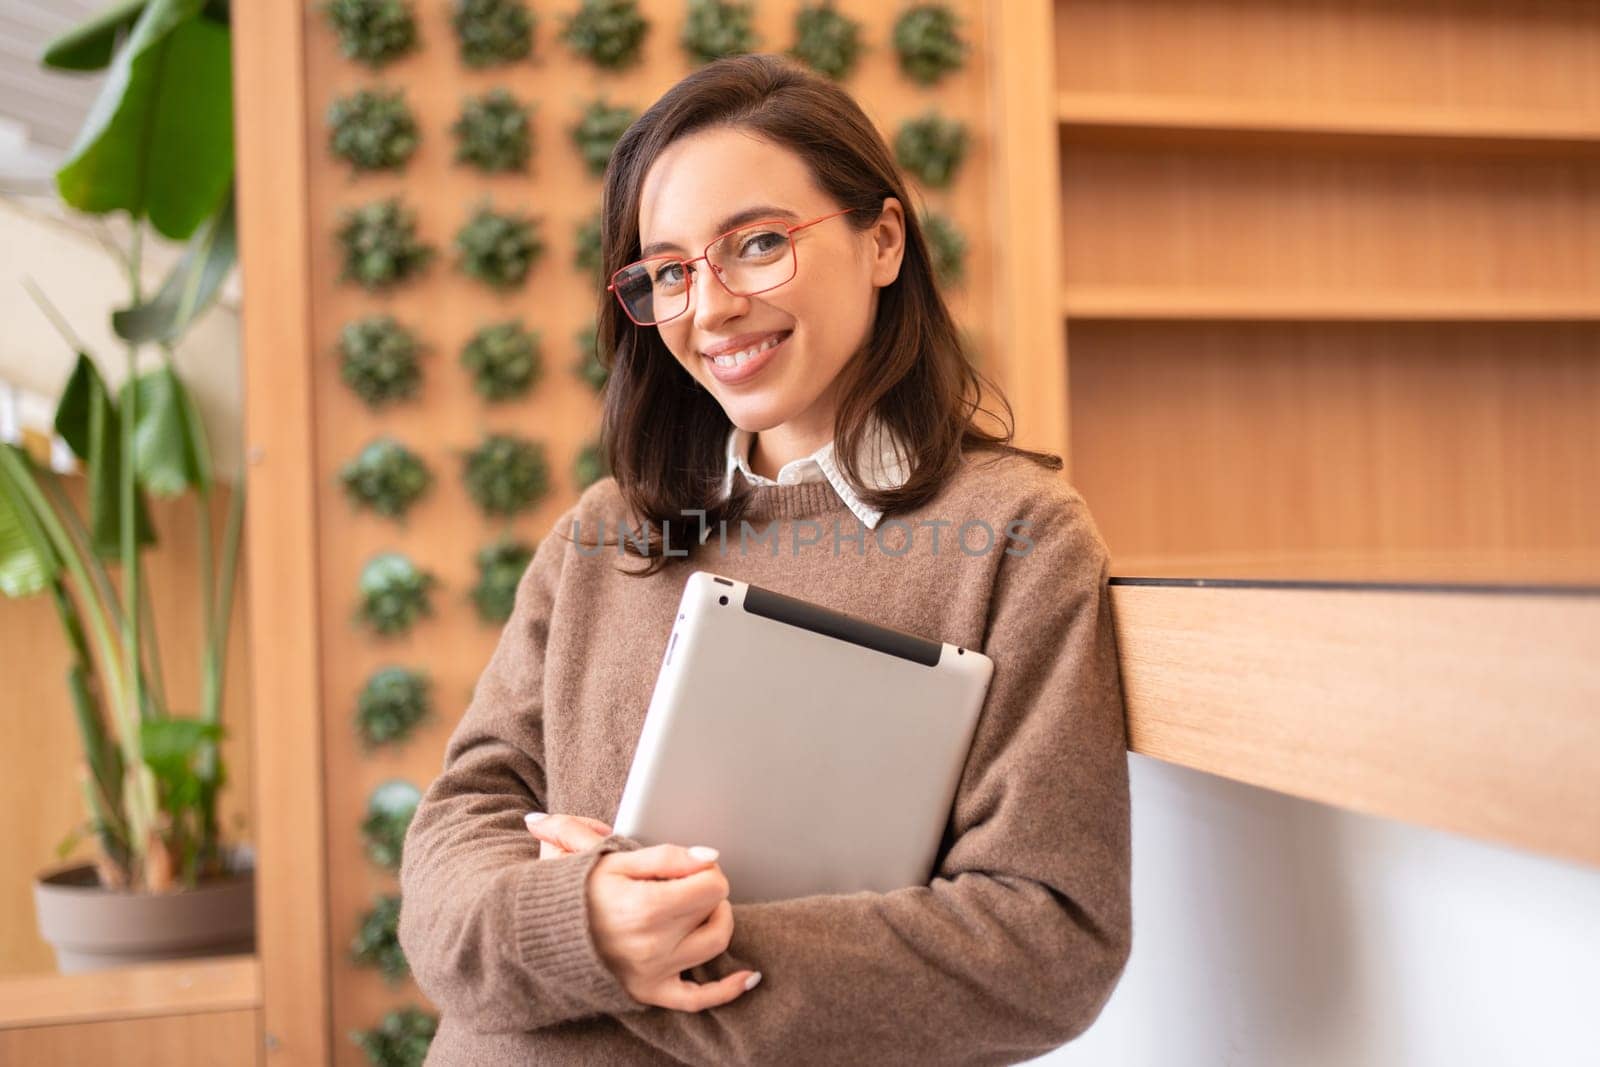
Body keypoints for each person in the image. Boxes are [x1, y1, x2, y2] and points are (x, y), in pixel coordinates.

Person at [398, 53, 1132, 1066]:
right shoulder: (603, 533)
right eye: (668, 271)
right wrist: (582, 925)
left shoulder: (1013, 534)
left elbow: (1048, 939)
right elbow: (453, 842)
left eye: (754, 244)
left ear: (882, 240)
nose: (710, 308)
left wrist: (669, 943)